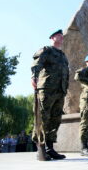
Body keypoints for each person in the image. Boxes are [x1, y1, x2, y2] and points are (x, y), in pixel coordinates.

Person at [31, 29, 69, 161]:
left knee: (55, 120)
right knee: (43, 118)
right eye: (59, 35)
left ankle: (50, 148)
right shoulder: (47, 50)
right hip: (46, 89)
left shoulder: (63, 56)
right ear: (52, 38)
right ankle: (40, 149)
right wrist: (33, 77)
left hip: (60, 91)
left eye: (62, 36)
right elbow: (37, 63)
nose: (61, 37)